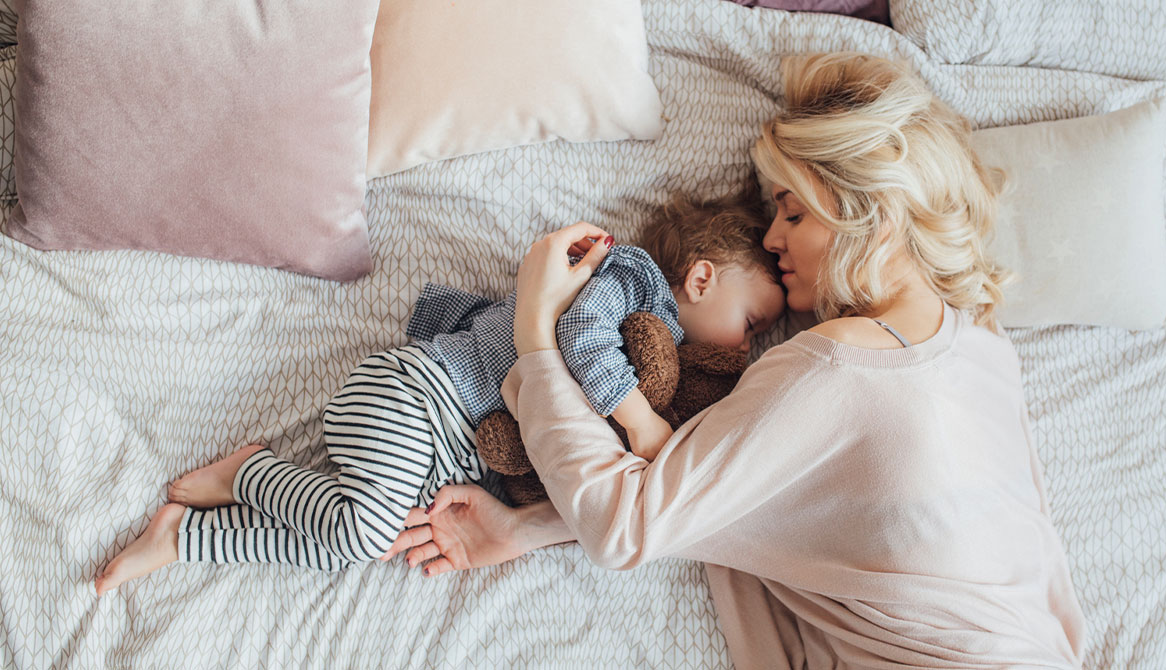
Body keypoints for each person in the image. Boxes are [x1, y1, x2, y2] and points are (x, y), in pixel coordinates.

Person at [384, 52, 1087, 668]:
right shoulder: (989, 349)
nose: (774, 241)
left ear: (875, 213)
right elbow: (724, 497)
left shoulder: (836, 367)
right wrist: (521, 528)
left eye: (794, 213)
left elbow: (629, 523)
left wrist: (536, 334)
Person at [92, 194, 785, 595]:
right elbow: (576, 334)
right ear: (700, 278)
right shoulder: (633, 281)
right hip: (423, 397)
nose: (745, 346)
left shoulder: (674, 381)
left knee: (358, 541)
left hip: (442, 459)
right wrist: (638, 422)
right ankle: (247, 471)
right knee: (361, 532)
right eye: (752, 322)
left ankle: (188, 538)